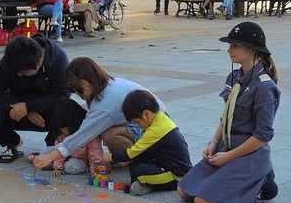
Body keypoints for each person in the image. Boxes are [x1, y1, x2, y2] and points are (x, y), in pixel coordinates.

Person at [177, 22, 280, 203]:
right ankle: (234, 178)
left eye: (235, 45)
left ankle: (262, 177)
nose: (229, 50)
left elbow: (262, 136)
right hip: (227, 145)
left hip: (249, 153)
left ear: (251, 49)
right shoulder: (233, 78)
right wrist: (214, 143)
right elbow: (226, 117)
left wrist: (228, 157)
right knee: (184, 191)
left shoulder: (265, 87)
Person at [32, 57, 165, 171]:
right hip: (154, 123)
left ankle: (144, 157)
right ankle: (130, 156)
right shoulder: (106, 86)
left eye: (79, 88)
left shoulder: (106, 103)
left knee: (108, 134)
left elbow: (84, 133)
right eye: (72, 89)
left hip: (157, 131)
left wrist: (51, 156)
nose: (77, 93)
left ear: (91, 79)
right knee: (105, 128)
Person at [0, 35, 70, 163]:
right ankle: (13, 142)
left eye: (23, 73)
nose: (19, 75)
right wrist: (24, 109)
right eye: (17, 72)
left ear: (39, 63)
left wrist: (29, 106)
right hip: (16, 109)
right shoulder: (13, 59)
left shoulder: (58, 59)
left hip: (46, 112)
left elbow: (62, 95)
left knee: (68, 113)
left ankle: (52, 146)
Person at [103, 89, 192, 195]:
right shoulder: (160, 119)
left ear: (146, 114)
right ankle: (149, 184)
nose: (138, 125)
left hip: (177, 176)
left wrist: (111, 157)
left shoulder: (156, 130)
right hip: (166, 165)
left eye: (137, 122)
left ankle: (153, 185)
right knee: (135, 164)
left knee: (139, 171)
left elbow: (133, 152)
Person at [28, 97, 104, 177]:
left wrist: (94, 170)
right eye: (60, 130)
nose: (63, 133)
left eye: (65, 129)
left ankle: (46, 162)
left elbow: (95, 153)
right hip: (66, 156)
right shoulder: (62, 134)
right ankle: (44, 161)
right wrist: (58, 167)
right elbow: (59, 150)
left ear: (74, 123)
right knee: (45, 151)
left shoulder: (87, 134)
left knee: (71, 166)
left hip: (82, 159)